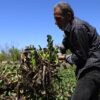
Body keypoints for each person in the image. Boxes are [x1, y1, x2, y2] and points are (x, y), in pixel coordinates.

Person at [53, 2, 100, 100]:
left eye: (58, 18)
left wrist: (64, 57)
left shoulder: (77, 28)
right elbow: (64, 43)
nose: (55, 22)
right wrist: (57, 50)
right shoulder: (69, 29)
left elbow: (81, 56)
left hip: (92, 69)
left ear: (68, 16)